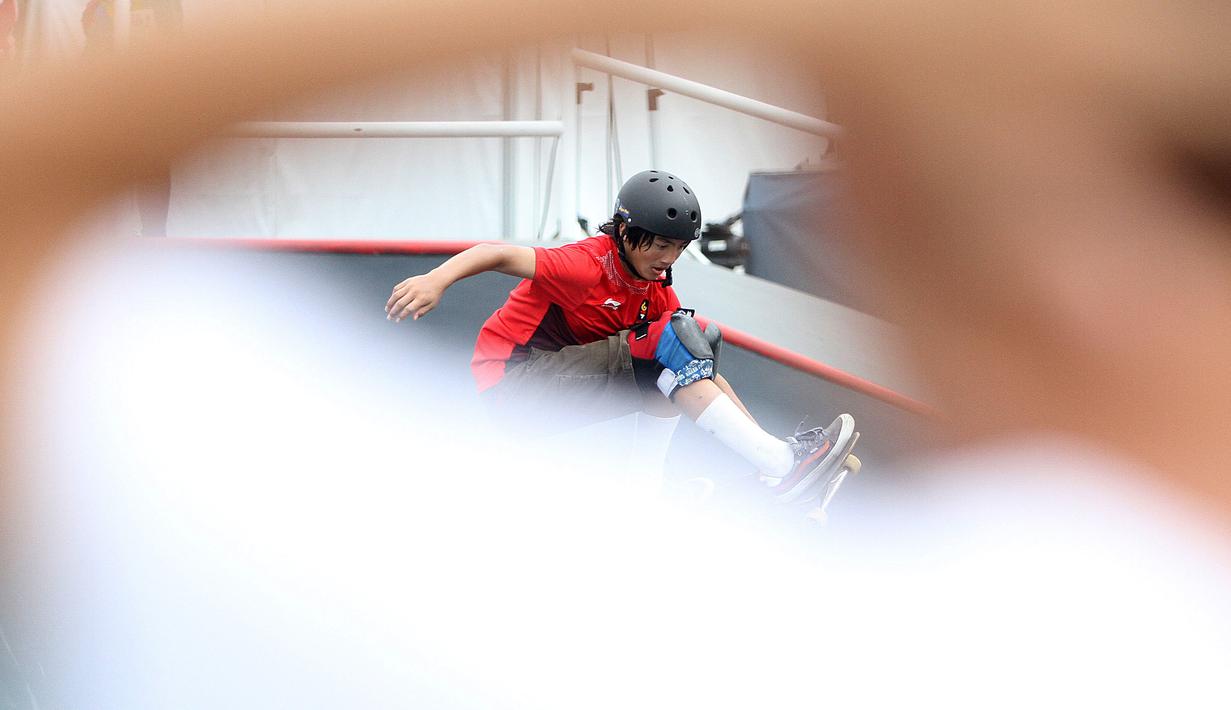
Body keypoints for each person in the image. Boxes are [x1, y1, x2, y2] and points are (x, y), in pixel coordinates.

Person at [386, 169, 858, 503]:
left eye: (679, 248)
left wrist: (765, 444)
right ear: (629, 233)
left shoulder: (656, 291)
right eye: (661, 245)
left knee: (698, 342)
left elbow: (703, 373)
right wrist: (435, 281)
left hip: (555, 384)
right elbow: (495, 253)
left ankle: (751, 469)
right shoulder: (585, 263)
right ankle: (775, 465)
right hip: (512, 383)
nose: (669, 257)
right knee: (669, 344)